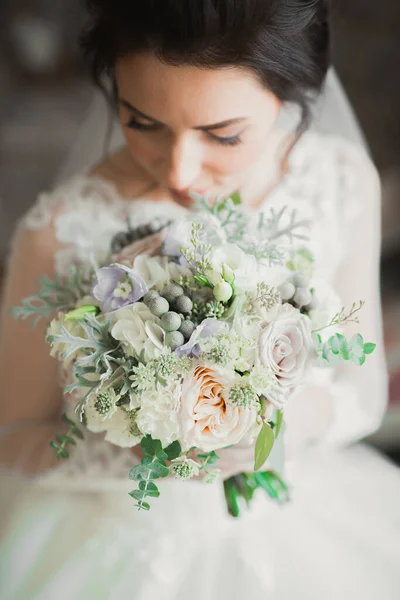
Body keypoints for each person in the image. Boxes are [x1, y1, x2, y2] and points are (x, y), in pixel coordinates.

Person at [1, 1, 399, 598]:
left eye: (224, 135)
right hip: (114, 545)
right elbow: (13, 437)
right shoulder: (58, 230)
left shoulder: (340, 181)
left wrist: (274, 430)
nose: (181, 171)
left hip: (308, 524)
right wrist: (151, 452)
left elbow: (363, 397)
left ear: (291, 97)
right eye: (142, 123)